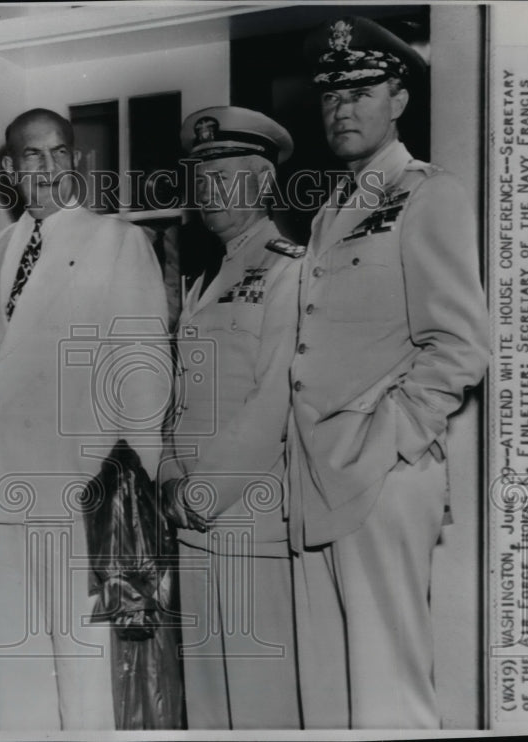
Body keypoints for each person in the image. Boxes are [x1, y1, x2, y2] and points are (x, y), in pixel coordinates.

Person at [288, 17, 490, 728]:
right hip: (316, 472)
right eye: (330, 94)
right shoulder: (331, 210)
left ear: (399, 100)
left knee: (388, 687)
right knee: (334, 688)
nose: (343, 108)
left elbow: (460, 346)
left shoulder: (428, 194)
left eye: (362, 90)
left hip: (377, 473)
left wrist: (389, 440)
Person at [0, 108, 169, 730]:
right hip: (0, 492)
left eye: (60, 153)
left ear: (76, 161)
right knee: (17, 658)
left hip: (84, 491)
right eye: (33, 155)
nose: (48, 167)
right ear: (10, 169)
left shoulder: (118, 240)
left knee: (85, 667)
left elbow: (144, 371)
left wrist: (135, 491)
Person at [160, 105, 341, 729]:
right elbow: (180, 394)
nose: (209, 191)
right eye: (201, 177)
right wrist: (167, 476)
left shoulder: (291, 267)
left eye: (227, 176)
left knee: (261, 703)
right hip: (191, 517)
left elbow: (274, 400)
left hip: (251, 522)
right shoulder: (204, 274)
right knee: (208, 700)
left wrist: (203, 490)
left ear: (263, 183)